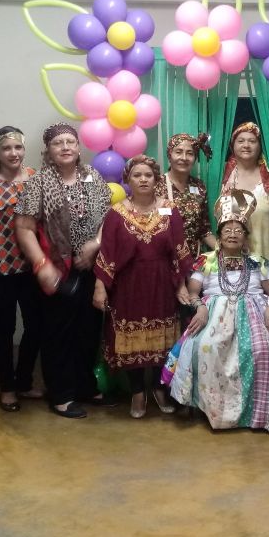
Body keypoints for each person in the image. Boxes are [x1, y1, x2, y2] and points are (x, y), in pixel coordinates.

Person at [165, 191, 269, 434]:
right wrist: (201, 307)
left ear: (246, 236)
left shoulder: (259, 261)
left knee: (262, 349)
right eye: (227, 230)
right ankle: (216, 412)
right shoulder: (205, 261)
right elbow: (193, 292)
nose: (233, 234)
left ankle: (257, 414)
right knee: (206, 346)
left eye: (239, 230)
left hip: (256, 316)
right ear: (219, 236)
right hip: (213, 316)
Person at [14, 122, 111, 419]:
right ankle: (62, 394)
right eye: (58, 143)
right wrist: (42, 265)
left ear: (79, 147)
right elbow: (24, 227)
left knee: (88, 330)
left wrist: (95, 245)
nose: (65, 147)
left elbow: (108, 218)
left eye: (70, 142)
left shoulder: (93, 177)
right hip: (56, 269)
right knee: (59, 334)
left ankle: (84, 386)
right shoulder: (39, 182)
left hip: (90, 267)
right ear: (48, 151)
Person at [93, 155, 194, 418]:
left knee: (164, 340)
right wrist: (100, 287)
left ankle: (159, 388)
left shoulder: (169, 209)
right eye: (137, 175)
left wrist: (181, 285)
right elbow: (107, 253)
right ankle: (138, 391)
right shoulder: (116, 214)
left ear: (156, 178)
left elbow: (179, 251)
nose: (143, 179)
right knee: (131, 340)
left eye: (148, 175)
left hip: (162, 283)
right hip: (128, 286)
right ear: (127, 180)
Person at [0, 126, 42, 412]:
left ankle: (24, 381)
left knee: (36, 328)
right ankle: (6, 387)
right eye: (6, 149)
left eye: (17, 148)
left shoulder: (36, 179)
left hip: (31, 269)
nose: (13, 153)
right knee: (3, 331)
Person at [220, 122, 269, 260]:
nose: (246, 145)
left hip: (265, 257)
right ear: (232, 146)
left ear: (260, 146)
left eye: (252, 141)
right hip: (230, 260)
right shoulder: (222, 177)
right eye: (241, 141)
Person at [160, 132, 217, 258]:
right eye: (178, 152)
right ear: (170, 155)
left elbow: (204, 231)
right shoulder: (157, 185)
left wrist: (223, 250)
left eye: (190, 153)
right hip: (164, 260)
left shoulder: (199, 187)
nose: (184, 157)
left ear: (195, 158)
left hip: (193, 261)